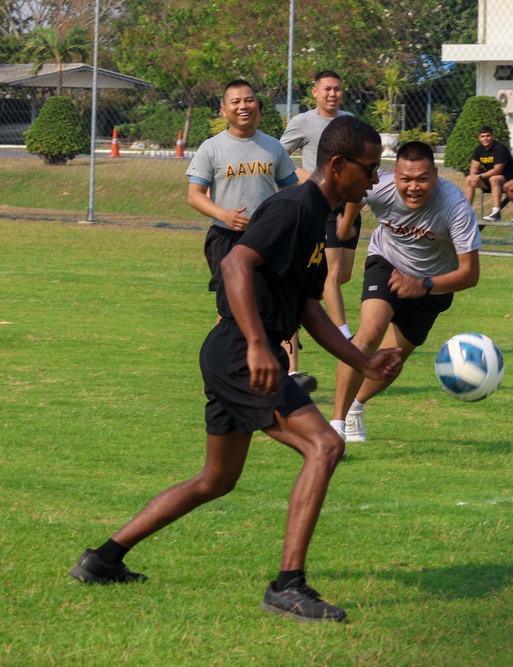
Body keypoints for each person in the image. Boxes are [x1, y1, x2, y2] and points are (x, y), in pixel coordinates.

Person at [69, 116, 403, 624]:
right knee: (326, 445)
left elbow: (309, 306)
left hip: (241, 349)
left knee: (216, 479)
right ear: (338, 165)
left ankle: (102, 560)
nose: (375, 179)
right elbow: (234, 265)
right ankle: (288, 586)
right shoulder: (294, 207)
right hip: (241, 351)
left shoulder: (317, 216)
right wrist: (256, 345)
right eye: (370, 168)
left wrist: (363, 360)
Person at [332, 141, 482, 443]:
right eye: (406, 179)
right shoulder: (381, 187)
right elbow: (356, 193)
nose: (413, 187)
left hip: (433, 284)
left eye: (422, 179)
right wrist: (346, 224)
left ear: (436, 176)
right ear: (395, 175)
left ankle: (355, 409)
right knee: (368, 335)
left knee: (392, 360)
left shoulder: (455, 208)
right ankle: (334, 428)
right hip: (387, 263)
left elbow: (470, 274)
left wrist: (423, 284)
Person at [186, 79, 312, 391]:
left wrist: (287, 223)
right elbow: (195, 194)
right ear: (223, 108)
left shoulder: (273, 147)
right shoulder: (212, 148)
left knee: (278, 298)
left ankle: (290, 374)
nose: (244, 106)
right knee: (231, 308)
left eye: (249, 100)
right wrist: (223, 214)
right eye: (236, 101)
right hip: (227, 239)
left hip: (269, 241)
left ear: (257, 105)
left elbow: (290, 190)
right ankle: (223, 367)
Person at [281, 70, 359, 342]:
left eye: (337, 89)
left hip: (348, 205)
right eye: (327, 89)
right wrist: (306, 178)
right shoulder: (302, 122)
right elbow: (279, 157)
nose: (332, 94)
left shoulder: (350, 122)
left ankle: (301, 307)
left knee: (341, 275)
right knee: (333, 272)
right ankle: (344, 335)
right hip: (320, 204)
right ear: (314, 92)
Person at [463, 126, 513, 222]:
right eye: (483, 136)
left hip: (508, 177)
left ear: (493, 136)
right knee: (469, 179)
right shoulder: (479, 149)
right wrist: (473, 176)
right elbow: (474, 167)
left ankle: (496, 212)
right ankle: (467, 212)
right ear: (479, 138)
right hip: (490, 177)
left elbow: (498, 170)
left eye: (488, 136)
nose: (485, 138)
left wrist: (480, 176)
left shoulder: (500, 148)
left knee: (494, 179)